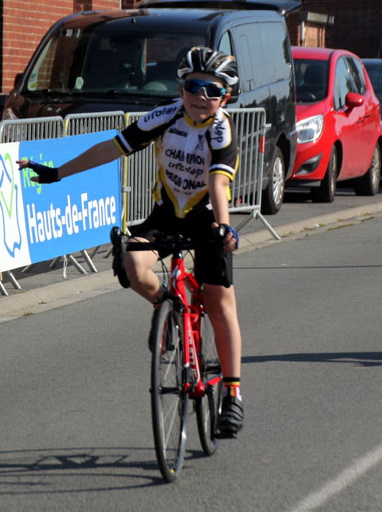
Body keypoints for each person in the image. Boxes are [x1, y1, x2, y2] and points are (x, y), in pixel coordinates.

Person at [17, 46, 245, 437]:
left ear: (225, 96)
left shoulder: (221, 130)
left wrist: (224, 228)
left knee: (218, 299)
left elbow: (218, 184)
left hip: (208, 220)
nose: (200, 96)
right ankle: (168, 308)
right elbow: (112, 147)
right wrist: (58, 174)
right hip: (166, 215)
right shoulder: (167, 116)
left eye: (211, 90)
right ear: (181, 87)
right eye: (193, 86)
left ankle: (233, 393)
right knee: (133, 265)